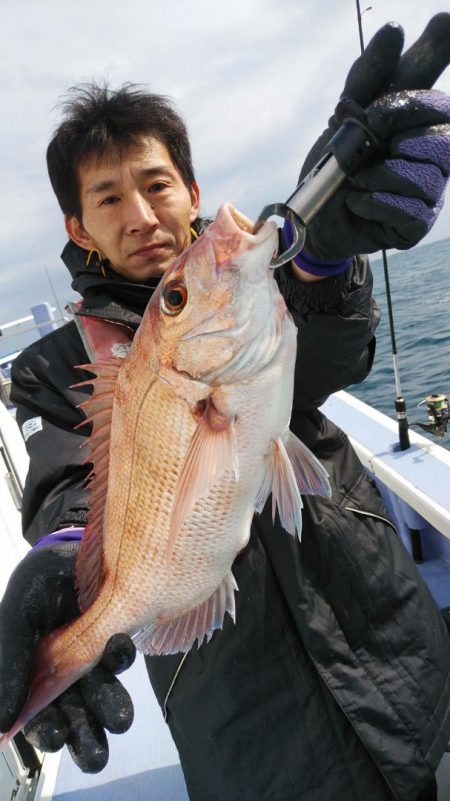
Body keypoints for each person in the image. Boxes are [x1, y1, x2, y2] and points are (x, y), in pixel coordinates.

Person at [1, 16, 450, 801]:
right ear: (79, 227)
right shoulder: (51, 368)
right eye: (109, 196)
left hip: (387, 640)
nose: (141, 215)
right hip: (246, 726)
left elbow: (335, 350)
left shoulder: (249, 282)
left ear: (192, 190)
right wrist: (69, 551)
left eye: (157, 183)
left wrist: (324, 252)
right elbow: (63, 486)